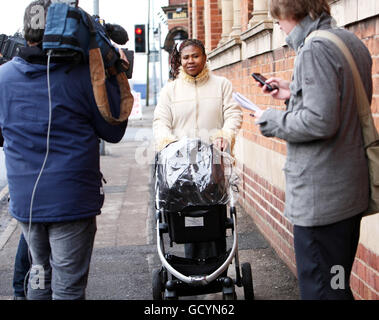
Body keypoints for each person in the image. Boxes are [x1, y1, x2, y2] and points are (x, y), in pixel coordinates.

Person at [0, 0, 128, 300]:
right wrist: (113, 71)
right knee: (68, 288)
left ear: (25, 32)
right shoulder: (85, 76)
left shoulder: (3, 78)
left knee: (39, 276)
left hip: (26, 204)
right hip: (71, 204)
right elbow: (114, 129)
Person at [253, 0, 372, 300]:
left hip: (322, 202)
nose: (279, 28)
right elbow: (338, 100)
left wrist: (271, 120)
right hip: (348, 195)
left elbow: (320, 122)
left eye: (279, 20)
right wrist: (292, 92)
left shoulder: (314, 49)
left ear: (292, 12)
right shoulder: (348, 41)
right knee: (336, 283)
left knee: (323, 290)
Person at [153, 39, 242, 259]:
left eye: (195, 56)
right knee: (187, 218)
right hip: (181, 167)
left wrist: (225, 135)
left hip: (213, 164)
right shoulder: (170, 91)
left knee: (214, 216)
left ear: (204, 57)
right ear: (180, 61)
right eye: (186, 57)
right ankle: (193, 266)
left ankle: (216, 266)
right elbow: (160, 121)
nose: (190, 61)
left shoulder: (221, 85)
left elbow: (233, 114)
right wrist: (168, 142)